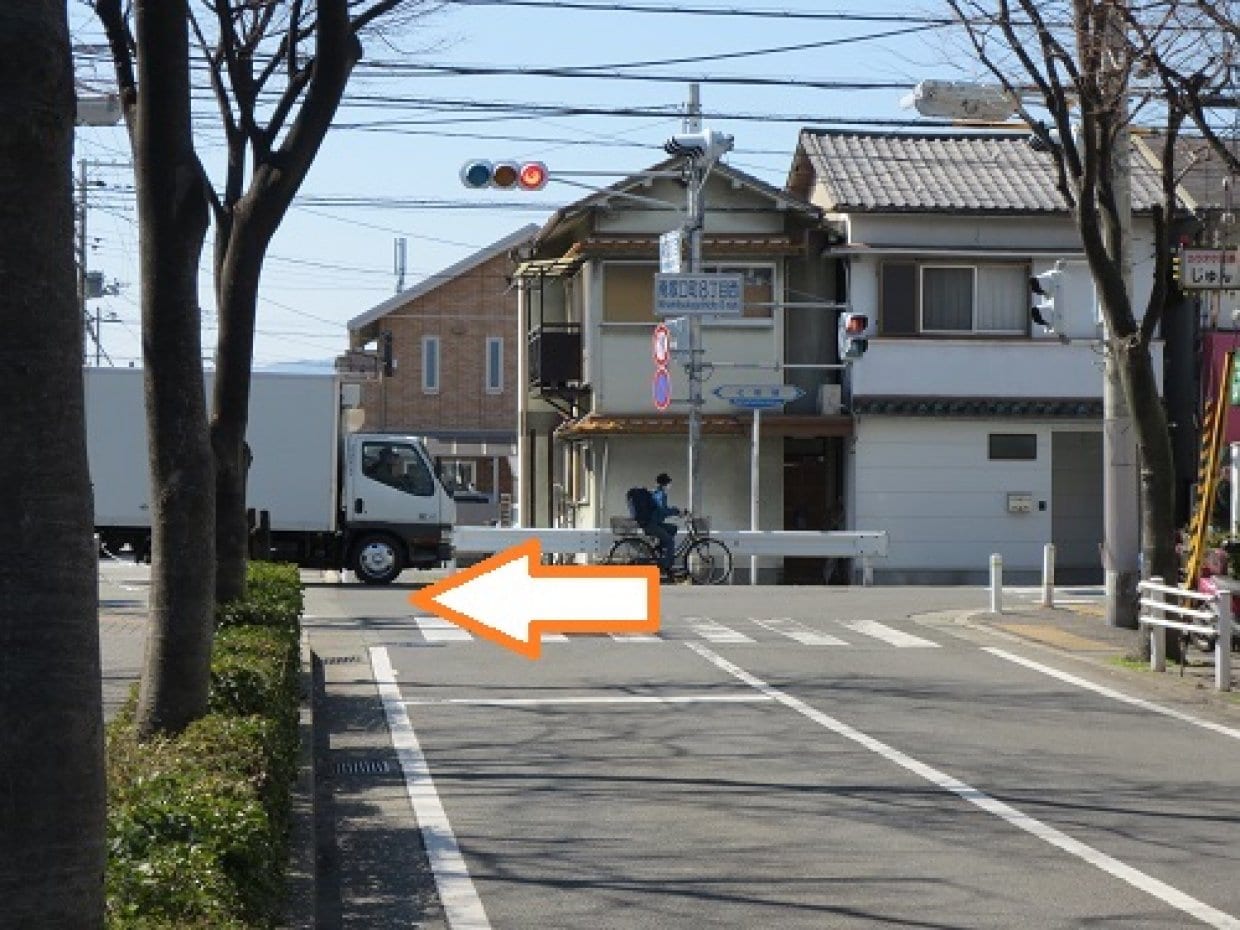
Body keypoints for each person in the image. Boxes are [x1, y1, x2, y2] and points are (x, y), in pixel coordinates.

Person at [648, 472, 681, 577]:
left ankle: (660, 549)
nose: (670, 485)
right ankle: (665, 567)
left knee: (673, 528)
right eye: (669, 483)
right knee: (670, 542)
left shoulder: (657, 493)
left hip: (654, 523)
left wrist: (675, 511)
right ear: (665, 484)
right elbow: (663, 511)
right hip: (652, 525)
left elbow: (662, 510)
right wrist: (676, 511)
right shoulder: (660, 494)